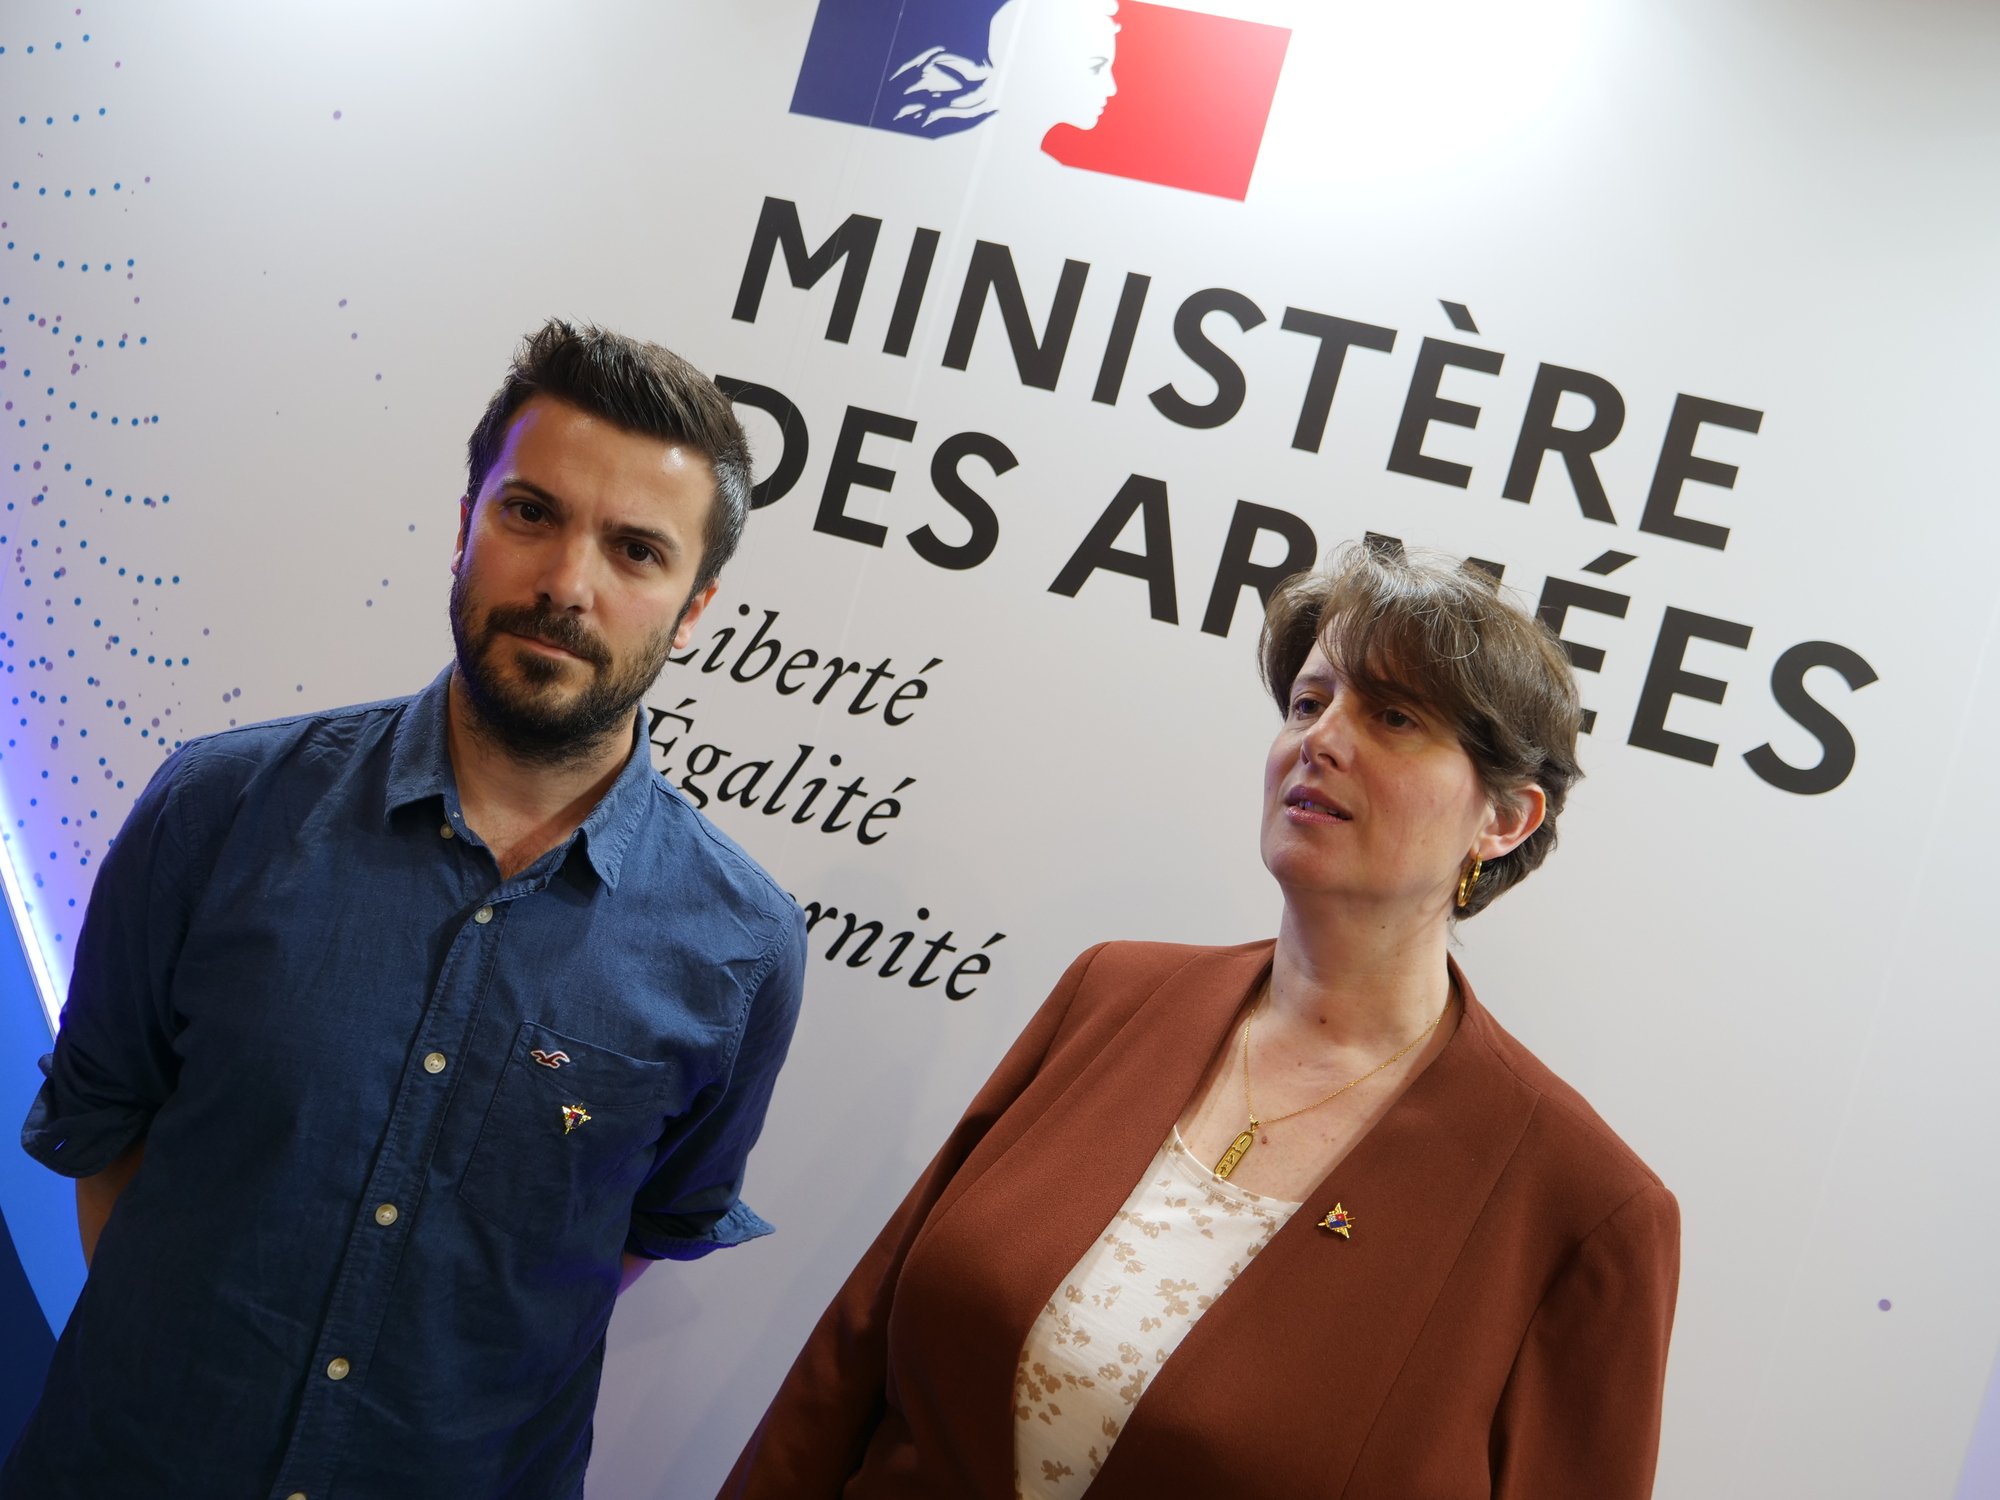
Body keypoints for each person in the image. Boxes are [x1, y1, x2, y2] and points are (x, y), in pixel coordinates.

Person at [4, 321, 809, 1500]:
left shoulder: (741, 949)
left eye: (636, 551)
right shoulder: (219, 807)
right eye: (530, 513)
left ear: (693, 609)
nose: (566, 584)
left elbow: (639, 1234)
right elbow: (104, 1127)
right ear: (466, 525)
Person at [724, 542, 1679, 1499]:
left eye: (1393, 716)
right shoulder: (1112, 994)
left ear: (1505, 820)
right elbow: (852, 1354)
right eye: (1308, 702)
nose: (1321, 740)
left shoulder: (1584, 1209)